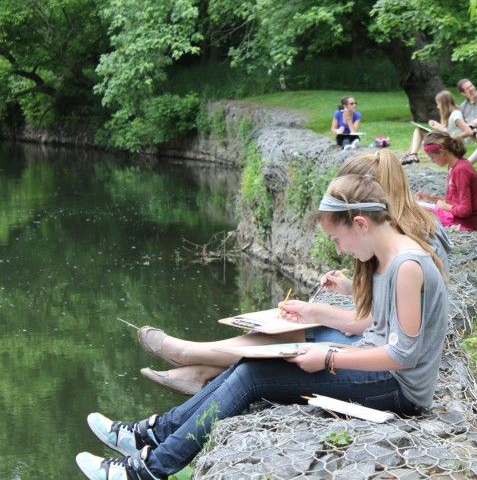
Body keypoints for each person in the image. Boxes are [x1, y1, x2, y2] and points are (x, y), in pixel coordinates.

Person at [76, 174, 449, 480]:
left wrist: (328, 356)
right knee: (252, 360)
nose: (339, 249)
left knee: (255, 375)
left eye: (338, 239)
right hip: (381, 372)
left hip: (399, 389)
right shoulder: (389, 257)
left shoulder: (405, 265)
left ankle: (148, 470)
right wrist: (322, 329)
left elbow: (404, 355)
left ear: (361, 224)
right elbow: (382, 324)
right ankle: (155, 434)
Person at [135, 150, 454, 395]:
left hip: (383, 363)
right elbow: (385, 308)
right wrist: (345, 290)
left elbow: (377, 326)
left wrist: (318, 314)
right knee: (284, 332)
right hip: (378, 346)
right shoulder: (391, 232)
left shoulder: (409, 247)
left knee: (293, 340)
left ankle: (190, 358)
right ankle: (200, 370)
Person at [416, 132, 477, 231]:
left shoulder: (460, 170)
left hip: (466, 223)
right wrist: (431, 199)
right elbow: (455, 200)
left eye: (432, 157)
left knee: (416, 213)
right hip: (460, 218)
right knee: (417, 208)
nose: (432, 161)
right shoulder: (455, 166)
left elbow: (465, 210)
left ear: (441, 152)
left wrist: (444, 207)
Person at [401, 90, 473, 165]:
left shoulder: (455, 115)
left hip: (452, 143)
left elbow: (468, 132)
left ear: (443, 103)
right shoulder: (451, 114)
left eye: (438, 103)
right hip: (449, 140)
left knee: (419, 131)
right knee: (419, 130)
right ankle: (411, 154)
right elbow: (450, 130)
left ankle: (412, 155)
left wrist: (452, 137)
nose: (438, 106)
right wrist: (438, 127)